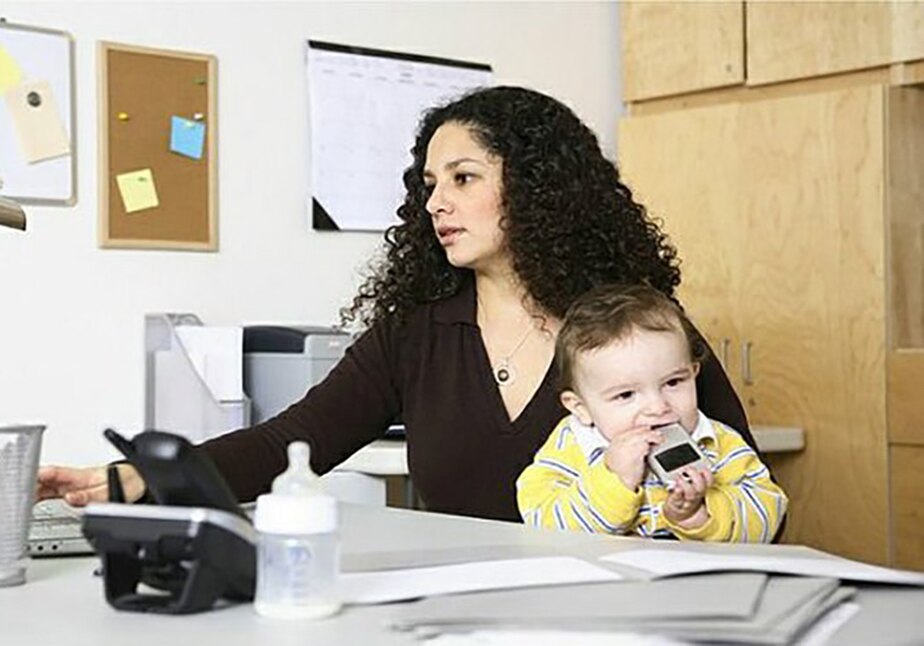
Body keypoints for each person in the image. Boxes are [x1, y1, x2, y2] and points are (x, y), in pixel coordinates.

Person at [38, 86, 756, 522]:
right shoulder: (415, 334)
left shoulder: (637, 328)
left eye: (464, 177)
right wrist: (137, 478)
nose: (437, 202)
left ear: (540, 189)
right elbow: (286, 445)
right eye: (429, 184)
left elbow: (750, 489)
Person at [517, 284, 787, 542]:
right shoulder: (571, 446)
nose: (658, 408)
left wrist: (698, 514)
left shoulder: (718, 442)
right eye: (625, 395)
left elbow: (768, 511)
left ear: (693, 373)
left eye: (673, 383)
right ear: (581, 408)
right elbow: (544, 524)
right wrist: (614, 480)